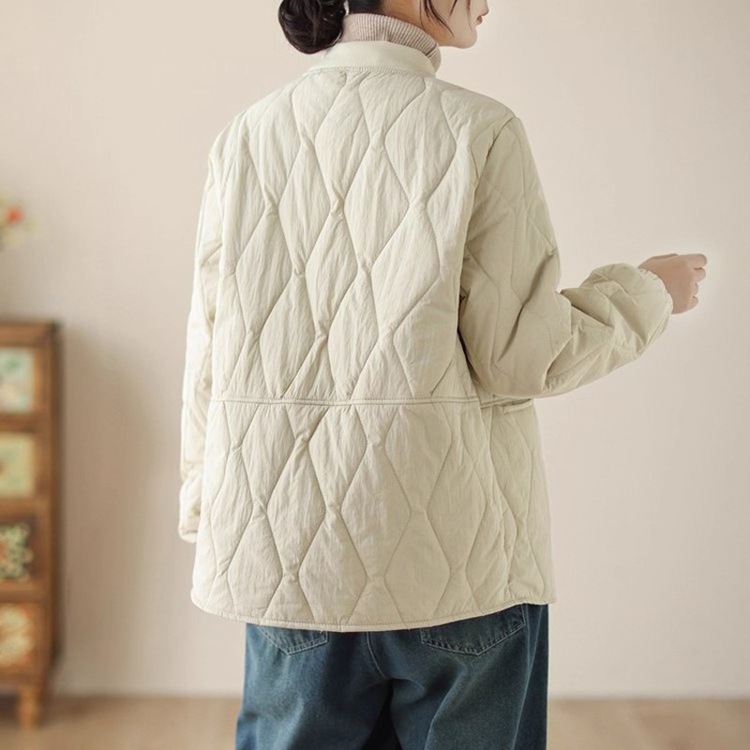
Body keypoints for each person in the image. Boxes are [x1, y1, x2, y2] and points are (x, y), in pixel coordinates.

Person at [177, 1, 708, 748]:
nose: (488, 2)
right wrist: (647, 293)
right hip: (458, 570)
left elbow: (211, 344)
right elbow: (522, 355)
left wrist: (210, 509)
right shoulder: (480, 129)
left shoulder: (248, 134)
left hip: (290, 561)